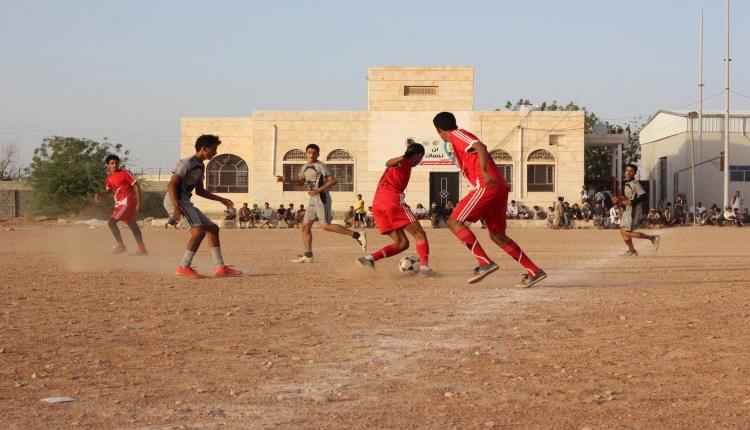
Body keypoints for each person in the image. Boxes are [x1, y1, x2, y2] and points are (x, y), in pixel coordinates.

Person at [433, 112, 546, 287]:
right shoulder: (457, 140)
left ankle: (484, 262)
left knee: (453, 221)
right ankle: (534, 270)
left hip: (486, 185)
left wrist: (484, 172)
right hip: (498, 187)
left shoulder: (456, 135)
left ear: (439, 130)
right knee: (497, 235)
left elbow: (480, 146)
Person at [164, 134, 241, 278]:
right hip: (176, 201)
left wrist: (221, 199)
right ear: (204, 148)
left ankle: (220, 267)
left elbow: (200, 191)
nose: (215, 153)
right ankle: (183, 266)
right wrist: (176, 207)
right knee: (198, 232)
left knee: (212, 229)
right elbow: (171, 186)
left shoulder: (200, 166)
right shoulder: (186, 163)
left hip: (185, 202)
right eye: (213, 149)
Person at [276, 143, 367, 262]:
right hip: (313, 200)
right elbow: (301, 182)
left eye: (314, 153)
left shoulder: (321, 166)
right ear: (306, 154)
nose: (312, 155)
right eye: (309, 152)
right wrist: (286, 180)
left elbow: (333, 180)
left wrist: (319, 189)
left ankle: (357, 235)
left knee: (325, 226)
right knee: (305, 227)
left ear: (318, 154)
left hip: (322, 198)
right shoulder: (304, 167)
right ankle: (308, 256)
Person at [356, 143, 434, 275]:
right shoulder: (405, 162)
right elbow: (388, 163)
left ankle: (369, 259)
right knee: (420, 234)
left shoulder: (403, 163)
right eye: (421, 158)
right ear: (419, 155)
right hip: (392, 201)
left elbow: (389, 164)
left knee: (402, 243)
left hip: (378, 205)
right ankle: (424, 268)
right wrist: (405, 156)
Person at [94, 154, 148, 255]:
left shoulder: (125, 173)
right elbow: (110, 191)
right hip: (119, 204)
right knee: (133, 225)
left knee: (111, 223)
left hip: (127, 202)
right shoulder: (109, 177)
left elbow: (136, 186)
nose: (115, 165)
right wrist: (100, 194)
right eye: (112, 163)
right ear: (108, 165)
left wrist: (139, 203)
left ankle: (121, 245)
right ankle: (142, 249)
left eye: (116, 163)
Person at [615, 164, 659, 256]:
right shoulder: (627, 183)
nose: (628, 172)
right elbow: (629, 197)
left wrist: (632, 202)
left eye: (631, 171)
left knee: (626, 232)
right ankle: (631, 250)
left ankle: (652, 238)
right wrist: (619, 198)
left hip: (633, 210)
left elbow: (644, 196)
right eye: (627, 170)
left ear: (634, 173)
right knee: (623, 231)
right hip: (627, 210)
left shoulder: (635, 183)